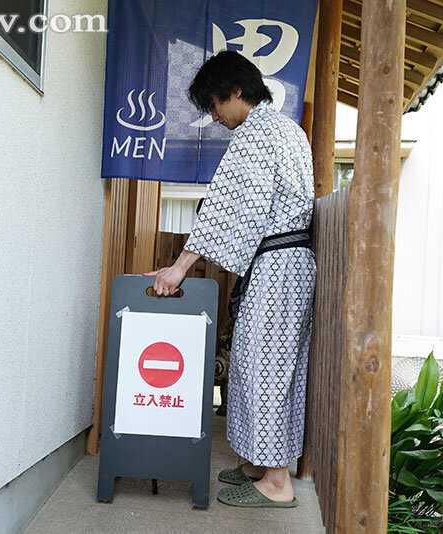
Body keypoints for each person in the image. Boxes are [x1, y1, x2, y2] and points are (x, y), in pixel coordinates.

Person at [146, 50, 317, 508]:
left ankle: (277, 482)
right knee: (258, 363)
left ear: (236, 92)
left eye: (215, 104)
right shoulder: (286, 129)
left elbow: (231, 207)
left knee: (266, 367)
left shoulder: (257, 134)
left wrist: (180, 266)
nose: (214, 116)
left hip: (279, 263)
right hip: (285, 261)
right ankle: (260, 464)